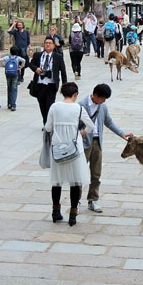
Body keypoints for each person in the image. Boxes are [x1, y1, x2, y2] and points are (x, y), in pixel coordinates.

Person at [72, 83, 132, 215]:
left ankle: (93, 199)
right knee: (80, 173)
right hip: (83, 143)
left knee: (96, 173)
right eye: (103, 99)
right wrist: (80, 134)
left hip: (97, 143)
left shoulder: (102, 107)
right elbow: (73, 125)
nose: (104, 101)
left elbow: (108, 122)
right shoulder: (81, 106)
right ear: (95, 96)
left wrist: (122, 134)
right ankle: (75, 200)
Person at [44, 82, 95, 226]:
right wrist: (83, 132)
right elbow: (91, 126)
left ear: (62, 93)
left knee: (57, 182)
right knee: (75, 182)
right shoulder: (78, 108)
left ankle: (56, 211)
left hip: (58, 148)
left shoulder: (54, 107)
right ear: (75, 94)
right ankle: (73, 214)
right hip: (74, 150)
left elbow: (48, 127)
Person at [28, 36, 68, 124]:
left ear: (54, 45)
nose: (48, 45)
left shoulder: (58, 57)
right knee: (42, 105)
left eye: (50, 43)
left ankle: (49, 123)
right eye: (46, 43)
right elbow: (30, 64)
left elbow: (63, 71)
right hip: (40, 84)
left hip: (51, 85)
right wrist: (36, 69)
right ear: (44, 45)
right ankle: (45, 122)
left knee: (50, 105)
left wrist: (65, 85)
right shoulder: (38, 55)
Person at [1, 46, 25, 111]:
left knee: (9, 88)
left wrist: (4, 66)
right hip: (15, 73)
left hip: (8, 74)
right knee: (14, 88)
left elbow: (0, 60)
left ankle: (9, 103)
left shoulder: (7, 58)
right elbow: (24, 60)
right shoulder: (17, 58)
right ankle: (13, 105)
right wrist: (21, 67)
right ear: (17, 52)